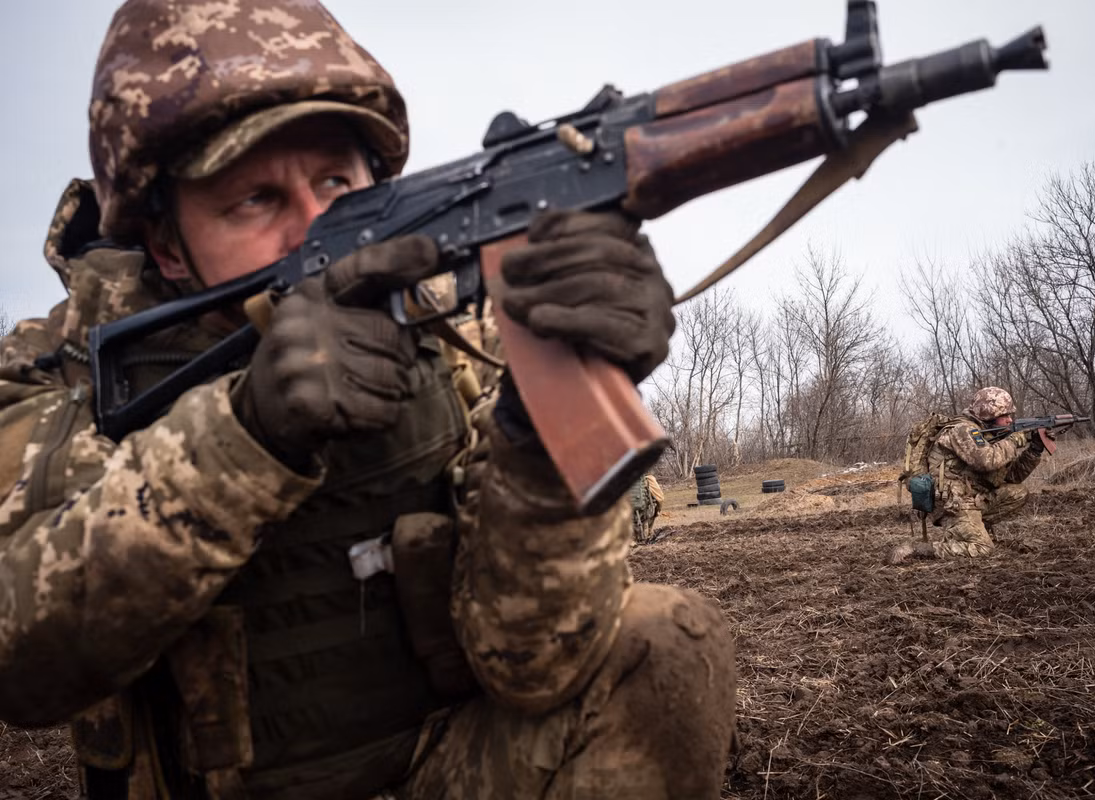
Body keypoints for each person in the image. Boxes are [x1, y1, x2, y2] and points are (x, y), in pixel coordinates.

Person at [0, 2, 737, 798]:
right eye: (255, 199)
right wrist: (245, 438)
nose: (318, 226)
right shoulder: (59, 372)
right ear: (166, 244)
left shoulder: (451, 334)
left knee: (665, 641)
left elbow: (535, 661)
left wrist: (536, 431)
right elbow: (20, 665)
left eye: (335, 182)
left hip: (436, 772)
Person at [887, 387, 1045, 564]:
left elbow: (1012, 477)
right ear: (989, 414)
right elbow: (986, 460)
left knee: (1017, 492)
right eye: (1005, 416)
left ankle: (973, 529)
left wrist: (1035, 450)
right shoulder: (963, 430)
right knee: (982, 548)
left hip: (971, 498)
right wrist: (1014, 441)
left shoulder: (991, 435)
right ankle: (918, 549)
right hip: (953, 504)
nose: (1010, 420)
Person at [629, 473, 664, 544]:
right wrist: (658, 510)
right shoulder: (648, 480)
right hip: (645, 514)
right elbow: (660, 499)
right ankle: (648, 535)